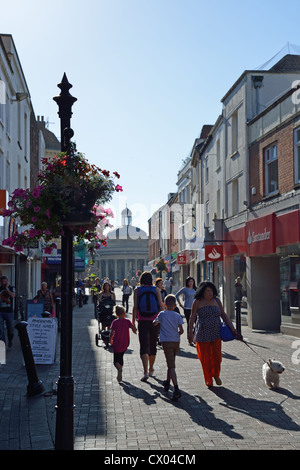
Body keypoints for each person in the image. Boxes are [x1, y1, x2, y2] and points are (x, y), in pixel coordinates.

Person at [188, 281, 241, 387]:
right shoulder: (197, 302)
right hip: (202, 333)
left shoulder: (217, 300)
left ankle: (216, 375)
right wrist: (190, 332)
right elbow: (192, 317)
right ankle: (208, 379)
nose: (210, 293)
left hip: (216, 332)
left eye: (211, 290)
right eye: (207, 290)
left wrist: (232, 328)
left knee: (217, 356)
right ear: (202, 292)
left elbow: (223, 315)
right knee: (205, 358)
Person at [132, 271, 164, 382]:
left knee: (144, 346)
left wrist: (133, 323)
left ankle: (145, 371)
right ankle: (151, 369)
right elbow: (161, 305)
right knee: (153, 345)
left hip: (142, 321)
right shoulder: (156, 289)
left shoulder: (137, 290)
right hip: (155, 321)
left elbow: (135, 307)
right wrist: (163, 320)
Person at [153, 294, 184, 400]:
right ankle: (167, 382)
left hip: (166, 342)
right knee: (171, 363)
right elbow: (181, 330)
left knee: (171, 366)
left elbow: (155, 323)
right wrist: (176, 334)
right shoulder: (177, 315)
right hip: (176, 341)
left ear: (164, 304)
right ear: (175, 305)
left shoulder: (162, 314)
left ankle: (176, 388)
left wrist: (155, 323)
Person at [109, 305, 137, 382]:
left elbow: (111, 333)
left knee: (115, 361)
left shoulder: (115, 322)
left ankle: (119, 369)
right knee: (121, 357)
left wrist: (110, 339)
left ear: (116, 314)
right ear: (124, 313)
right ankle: (120, 369)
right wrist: (135, 330)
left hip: (117, 342)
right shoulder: (127, 321)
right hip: (125, 343)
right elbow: (133, 328)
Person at [175, 276, 196, 345]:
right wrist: (180, 304)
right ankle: (190, 339)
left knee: (197, 323)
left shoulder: (195, 289)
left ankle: (194, 336)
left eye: (192, 281)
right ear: (187, 282)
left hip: (195, 309)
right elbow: (176, 295)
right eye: (189, 281)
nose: (191, 283)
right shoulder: (185, 289)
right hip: (187, 309)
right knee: (189, 324)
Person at [0, 275, 15, 347]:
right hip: (0, 311)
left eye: (5, 281)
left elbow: (12, 296)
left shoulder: (11, 288)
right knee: (1, 330)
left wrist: (7, 289)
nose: (3, 283)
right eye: (2, 282)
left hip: (9, 311)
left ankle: (10, 340)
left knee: (11, 329)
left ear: (7, 282)